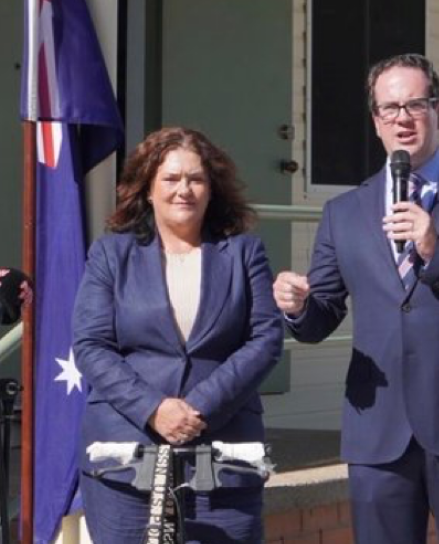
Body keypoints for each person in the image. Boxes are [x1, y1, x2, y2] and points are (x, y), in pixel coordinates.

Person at [273, 53, 439, 544]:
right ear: (375, 120)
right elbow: (321, 316)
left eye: (415, 104)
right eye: (389, 108)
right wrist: (297, 308)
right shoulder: (344, 212)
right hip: (377, 426)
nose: (402, 118)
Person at [72, 127, 284, 543]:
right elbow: (92, 345)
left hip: (223, 455)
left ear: (211, 190)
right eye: (171, 178)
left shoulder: (244, 252)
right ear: (147, 189)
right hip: (124, 455)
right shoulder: (111, 255)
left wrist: (200, 406)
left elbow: (266, 339)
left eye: (196, 179)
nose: (183, 189)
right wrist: (154, 408)